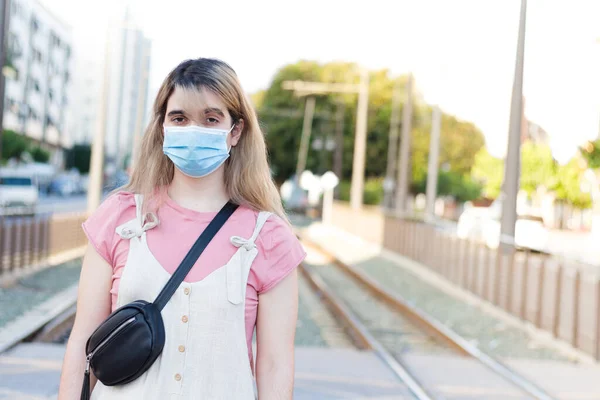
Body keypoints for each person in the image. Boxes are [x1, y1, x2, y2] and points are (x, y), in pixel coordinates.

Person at [58, 58, 306, 399]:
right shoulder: (119, 219)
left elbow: (275, 365)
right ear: (163, 127)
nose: (194, 129)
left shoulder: (268, 238)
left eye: (211, 118)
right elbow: (82, 343)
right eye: (180, 118)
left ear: (235, 131)